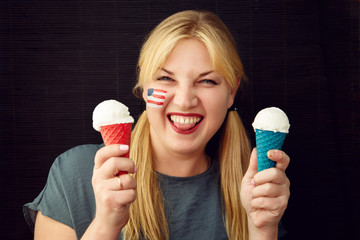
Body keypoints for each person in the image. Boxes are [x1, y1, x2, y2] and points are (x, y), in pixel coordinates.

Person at [24, 10, 290, 240]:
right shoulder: (76, 173)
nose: (185, 101)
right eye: (165, 78)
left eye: (207, 81)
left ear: (232, 92)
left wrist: (263, 231)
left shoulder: (258, 189)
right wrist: (105, 225)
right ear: (143, 86)